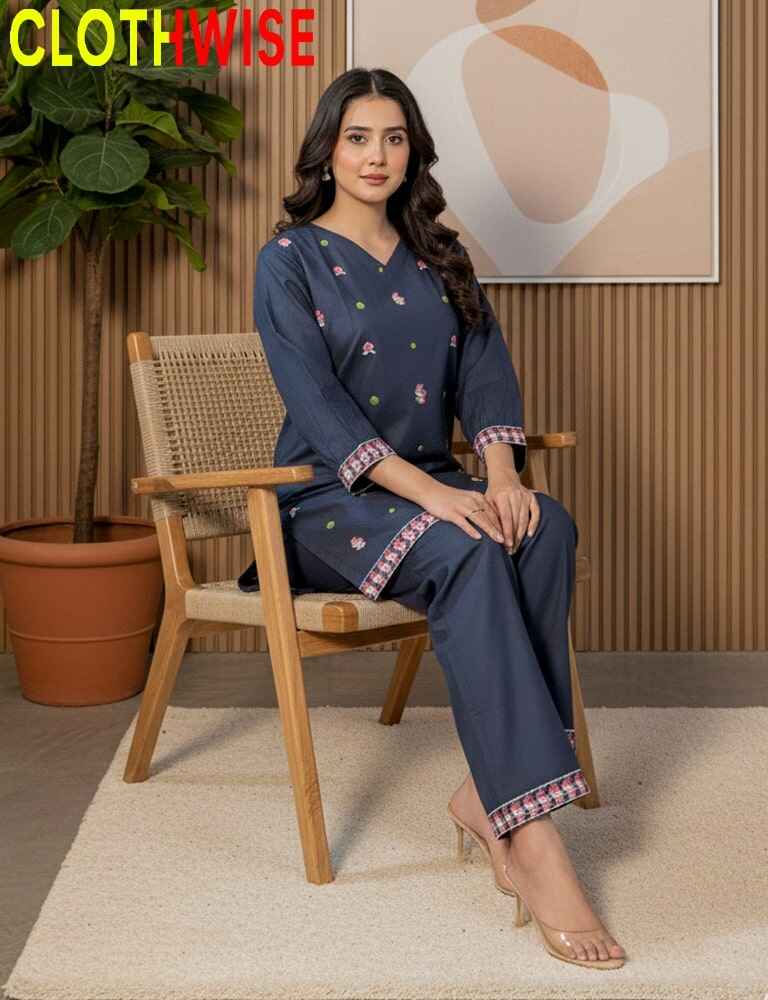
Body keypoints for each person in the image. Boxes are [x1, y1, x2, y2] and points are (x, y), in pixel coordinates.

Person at [238, 67, 626, 969]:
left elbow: (486, 370)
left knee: (542, 527)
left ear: (414, 152)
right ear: (327, 150)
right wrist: (441, 496)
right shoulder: (288, 261)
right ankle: (531, 838)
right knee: (465, 550)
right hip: (328, 500)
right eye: (359, 138)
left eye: (395, 138)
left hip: (439, 484)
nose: (377, 156)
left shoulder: (439, 253)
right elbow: (320, 405)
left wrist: (498, 474)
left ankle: (486, 795)